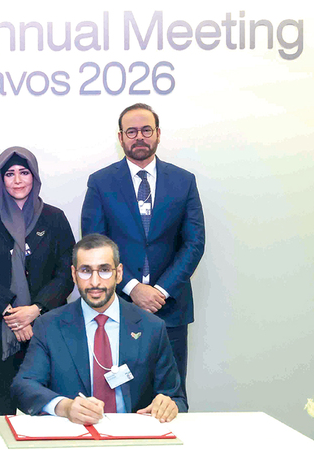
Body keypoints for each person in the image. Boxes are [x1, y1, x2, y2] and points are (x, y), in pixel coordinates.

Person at [81, 103, 205, 395]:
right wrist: (133, 288)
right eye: (132, 131)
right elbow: (94, 245)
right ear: (120, 137)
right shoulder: (101, 182)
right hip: (118, 305)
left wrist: (160, 291)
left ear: (158, 134)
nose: (139, 137)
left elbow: (194, 242)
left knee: (170, 396)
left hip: (170, 308)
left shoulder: (184, 181)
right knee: (121, 396)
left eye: (146, 130)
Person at [11, 234, 186, 424]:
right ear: (73, 274)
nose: (95, 282)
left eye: (104, 270)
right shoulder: (49, 326)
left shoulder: (152, 327)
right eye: (85, 271)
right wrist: (65, 407)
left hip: (133, 434)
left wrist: (168, 405)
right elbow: (24, 386)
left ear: (119, 273)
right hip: (75, 433)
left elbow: (176, 398)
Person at [0, 147, 75, 416]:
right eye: (9, 174)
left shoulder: (55, 218)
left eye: (24, 172)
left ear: (34, 176)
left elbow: (66, 272)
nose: (18, 180)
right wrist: (12, 314)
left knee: (45, 408)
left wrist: (35, 309)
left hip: (44, 326)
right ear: (1, 179)